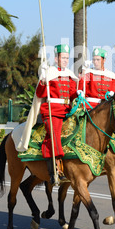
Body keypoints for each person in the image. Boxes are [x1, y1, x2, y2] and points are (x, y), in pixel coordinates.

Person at [36, 44, 78, 183]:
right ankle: (55, 170)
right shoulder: (50, 73)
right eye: (63, 57)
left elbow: (72, 95)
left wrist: (79, 93)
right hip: (52, 110)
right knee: (55, 136)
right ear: (56, 58)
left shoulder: (70, 75)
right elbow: (40, 94)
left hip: (67, 110)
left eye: (67, 58)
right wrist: (42, 81)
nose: (65, 60)